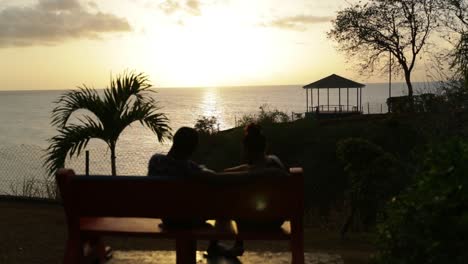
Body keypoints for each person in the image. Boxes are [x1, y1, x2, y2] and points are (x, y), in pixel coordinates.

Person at [208, 123, 287, 258]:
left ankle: (215, 246)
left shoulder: (250, 176)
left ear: (247, 150)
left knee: (227, 197)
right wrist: (227, 172)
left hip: (256, 222)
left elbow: (247, 172)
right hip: (276, 220)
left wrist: (219, 174)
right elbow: (251, 168)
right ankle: (234, 245)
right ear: (264, 147)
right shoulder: (274, 161)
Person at [147, 126, 213, 227]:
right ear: (193, 149)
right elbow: (213, 176)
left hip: (167, 218)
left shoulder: (155, 161)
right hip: (192, 219)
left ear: (174, 140)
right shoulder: (191, 169)